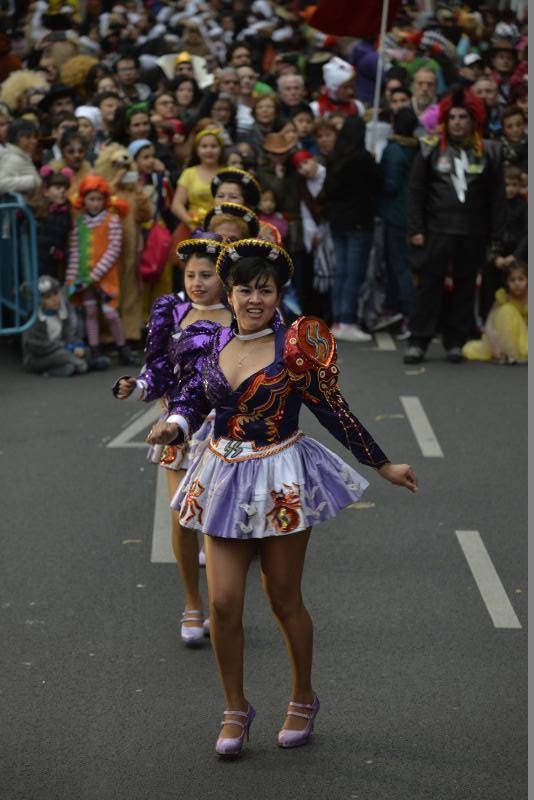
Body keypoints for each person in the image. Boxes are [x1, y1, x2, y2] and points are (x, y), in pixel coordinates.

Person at [146, 239, 417, 757]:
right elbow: (193, 398)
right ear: (229, 293)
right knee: (223, 603)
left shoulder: (295, 349)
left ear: (277, 295)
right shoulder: (209, 342)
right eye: (244, 289)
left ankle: (302, 695)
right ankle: (234, 709)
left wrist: (382, 463)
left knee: (282, 597)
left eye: (264, 290)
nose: (254, 299)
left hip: (281, 478)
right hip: (223, 475)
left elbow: (334, 410)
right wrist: (175, 426)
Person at [113, 233, 231, 644]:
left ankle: (221, 603)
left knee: (217, 520)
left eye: (207, 275)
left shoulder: (243, 311)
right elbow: (158, 367)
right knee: (182, 517)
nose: (197, 282)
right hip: (178, 428)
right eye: (191, 274)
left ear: (225, 277)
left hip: (227, 428)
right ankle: (191, 602)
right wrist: (138, 385)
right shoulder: (171, 309)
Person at [404, 87, 506, 364]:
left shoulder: (490, 152)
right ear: (445, 121)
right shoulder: (430, 149)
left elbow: (497, 198)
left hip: (473, 230)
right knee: (429, 286)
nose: (458, 122)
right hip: (437, 229)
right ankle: (418, 340)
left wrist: (496, 237)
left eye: (463, 117)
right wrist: (416, 229)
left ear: (474, 120)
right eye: (453, 117)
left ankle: (455, 341)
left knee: (465, 286)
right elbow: (416, 191)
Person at [66, 175, 137, 366]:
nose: (95, 203)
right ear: (84, 200)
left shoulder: (112, 220)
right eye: (91, 199)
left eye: (99, 199)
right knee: (90, 311)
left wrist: (95, 275)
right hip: (84, 276)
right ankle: (95, 349)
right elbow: (75, 251)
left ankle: (123, 348)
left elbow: (113, 250)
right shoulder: (79, 222)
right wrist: (71, 278)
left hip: (106, 277)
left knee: (110, 313)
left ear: (105, 200)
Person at [324, 116, 381, 342]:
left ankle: (338, 319)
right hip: (359, 221)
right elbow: (379, 184)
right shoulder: (363, 158)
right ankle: (347, 320)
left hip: (338, 221)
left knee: (341, 271)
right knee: (354, 273)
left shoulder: (334, 157)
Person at [377, 107, 420, 339]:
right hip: (411, 213)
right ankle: (396, 309)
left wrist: (377, 175)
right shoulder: (417, 148)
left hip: (395, 214)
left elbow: (391, 184)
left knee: (399, 264)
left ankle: (408, 315)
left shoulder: (394, 150)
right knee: (402, 264)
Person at [21, 275, 89, 377]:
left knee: (82, 352)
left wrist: (76, 346)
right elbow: (37, 346)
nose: (54, 299)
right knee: (64, 355)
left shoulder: (61, 313)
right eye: (48, 297)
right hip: (37, 358)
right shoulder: (36, 318)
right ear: (40, 301)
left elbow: (68, 336)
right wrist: (64, 347)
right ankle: (88, 365)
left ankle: (52, 372)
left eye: (56, 294)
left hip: (59, 351)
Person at [463, 262, 527, 363]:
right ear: (506, 282)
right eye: (512, 280)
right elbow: (490, 323)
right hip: (505, 339)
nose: (517, 284)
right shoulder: (504, 296)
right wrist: (495, 345)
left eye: (521, 279)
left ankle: (514, 353)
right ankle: (505, 352)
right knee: (507, 310)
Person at [36, 165, 73, 280]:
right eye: (57, 187)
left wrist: (62, 252)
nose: (62, 191)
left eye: (65, 188)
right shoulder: (38, 210)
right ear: (46, 191)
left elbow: (68, 239)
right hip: (37, 258)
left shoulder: (67, 212)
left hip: (53, 264)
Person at [0, 119, 42, 212]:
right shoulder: (12, 158)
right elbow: (1, 183)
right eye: (27, 137)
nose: (34, 141)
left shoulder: (21, 156)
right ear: (15, 139)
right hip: (19, 221)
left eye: (35, 137)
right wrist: (30, 182)